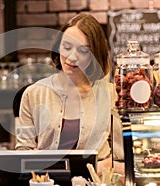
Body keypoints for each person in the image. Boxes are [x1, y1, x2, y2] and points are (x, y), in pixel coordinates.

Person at [15, 13, 124, 176]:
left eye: (83, 50)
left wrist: (104, 166)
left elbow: (121, 157)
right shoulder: (34, 94)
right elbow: (23, 152)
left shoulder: (111, 95)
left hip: (97, 185)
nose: (72, 57)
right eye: (67, 47)